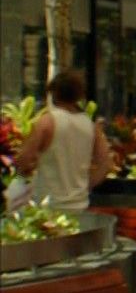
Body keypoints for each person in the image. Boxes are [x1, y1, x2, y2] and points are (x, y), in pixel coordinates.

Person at [15, 70, 111, 210]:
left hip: (47, 205)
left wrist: (24, 174)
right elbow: (105, 164)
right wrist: (85, 185)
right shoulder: (90, 126)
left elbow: (24, 159)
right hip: (79, 205)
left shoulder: (47, 122)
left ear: (54, 92)